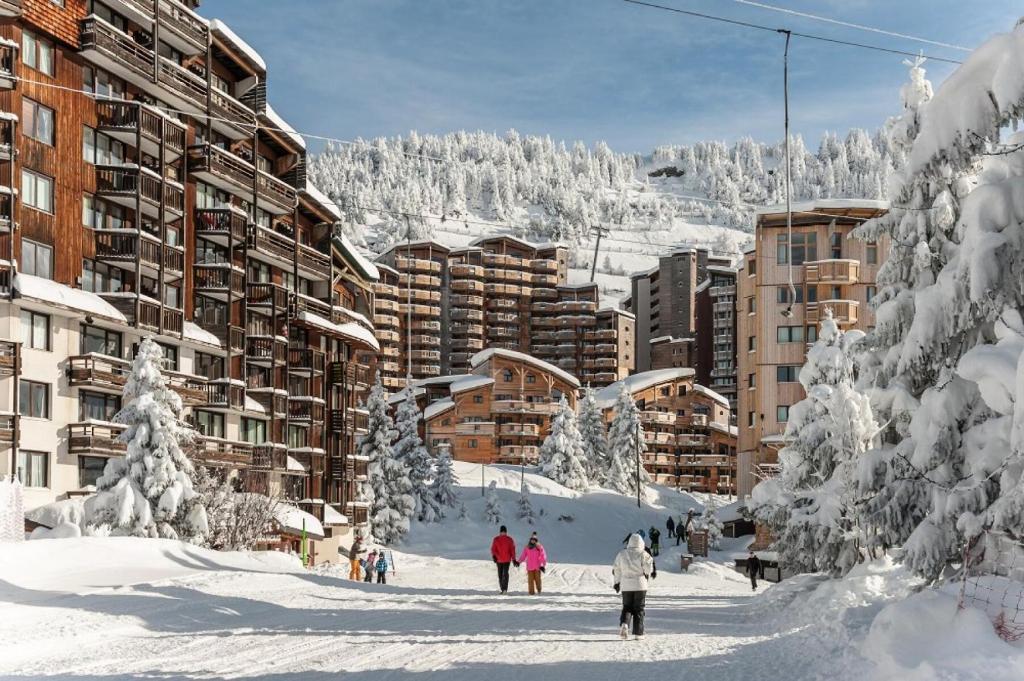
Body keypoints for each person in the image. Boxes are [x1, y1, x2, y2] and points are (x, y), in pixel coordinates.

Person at [613, 533, 655, 640]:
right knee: (639, 609)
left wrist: (617, 582)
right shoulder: (644, 554)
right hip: (640, 585)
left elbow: (616, 569)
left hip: (626, 585)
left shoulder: (622, 554)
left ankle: (624, 624)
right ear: (641, 543)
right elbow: (648, 569)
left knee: (627, 607)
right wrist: (646, 572)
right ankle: (638, 633)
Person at [490, 525, 517, 594]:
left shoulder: (509, 539)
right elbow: (493, 549)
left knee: (505, 574)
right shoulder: (496, 539)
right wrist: (494, 556)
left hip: (507, 560)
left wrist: (514, 559)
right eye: (502, 531)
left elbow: (512, 550)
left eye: (504, 531)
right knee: (500, 575)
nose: (503, 533)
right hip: (499, 560)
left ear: (506, 532)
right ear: (500, 532)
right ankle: (503, 589)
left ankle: (504, 589)